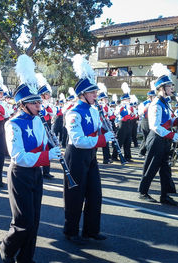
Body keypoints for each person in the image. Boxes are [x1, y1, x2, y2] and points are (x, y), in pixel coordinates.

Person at [0, 54, 60, 263]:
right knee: (23, 220)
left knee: (34, 220)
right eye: (34, 104)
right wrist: (46, 156)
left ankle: (26, 258)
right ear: (23, 104)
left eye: (39, 102)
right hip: (20, 174)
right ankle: (6, 247)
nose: (39, 107)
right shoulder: (13, 124)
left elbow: (42, 145)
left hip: (36, 172)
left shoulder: (39, 121)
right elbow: (18, 156)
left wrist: (52, 146)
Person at [63, 55, 113, 244]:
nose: (96, 95)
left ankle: (91, 230)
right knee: (75, 195)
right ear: (82, 94)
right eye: (92, 92)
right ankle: (71, 231)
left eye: (95, 92)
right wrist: (102, 138)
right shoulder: (74, 112)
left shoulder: (94, 110)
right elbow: (78, 140)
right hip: (76, 155)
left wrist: (105, 131)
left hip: (90, 155)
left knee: (94, 193)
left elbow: (95, 130)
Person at [138, 63, 178, 206]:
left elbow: (167, 121)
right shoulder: (156, 104)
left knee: (165, 169)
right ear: (162, 88)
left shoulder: (165, 103)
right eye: (169, 86)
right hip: (156, 139)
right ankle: (143, 192)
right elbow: (155, 126)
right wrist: (171, 135)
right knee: (151, 167)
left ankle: (165, 195)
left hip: (164, 139)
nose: (171, 89)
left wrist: (176, 120)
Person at [37, 73, 56, 179]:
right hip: (40, 125)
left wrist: (47, 106)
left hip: (47, 125)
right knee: (40, 146)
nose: (49, 96)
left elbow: (53, 112)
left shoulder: (48, 103)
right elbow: (42, 114)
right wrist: (44, 106)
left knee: (47, 147)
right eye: (47, 94)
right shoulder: (38, 103)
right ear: (42, 94)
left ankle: (46, 171)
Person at [112, 82, 133, 162]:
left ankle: (128, 156)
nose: (129, 100)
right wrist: (125, 108)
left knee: (128, 141)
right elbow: (118, 113)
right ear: (124, 100)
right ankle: (114, 156)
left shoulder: (129, 107)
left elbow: (131, 115)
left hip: (128, 124)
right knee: (120, 141)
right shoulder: (120, 106)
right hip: (122, 123)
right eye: (128, 99)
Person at [138, 89, 156, 157]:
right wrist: (146, 107)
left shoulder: (155, 102)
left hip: (152, 120)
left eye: (154, 96)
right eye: (153, 96)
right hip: (145, 120)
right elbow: (140, 113)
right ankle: (141, 152)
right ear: (149, 97)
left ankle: (148, 151)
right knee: (146, 137)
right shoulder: (144, 103)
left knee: (151, 137)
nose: (154, 97)